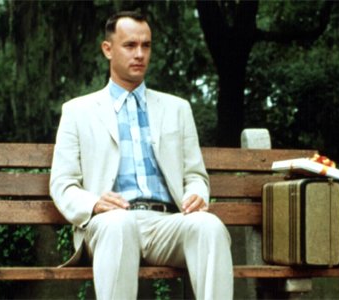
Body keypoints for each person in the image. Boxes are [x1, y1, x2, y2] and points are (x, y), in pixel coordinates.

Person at [49, 10, 233, 300]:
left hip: (168, 223)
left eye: (146, 46)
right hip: (110, 222)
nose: (140, 54)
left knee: (209, 226)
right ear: (108, 49)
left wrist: (197, 193)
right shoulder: (78, 111)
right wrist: (95, 202)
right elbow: (63, 184)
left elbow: (195, 176)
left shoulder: (177, 108)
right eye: (130, 45)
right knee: (119, 222)